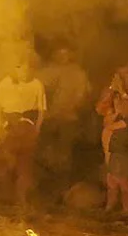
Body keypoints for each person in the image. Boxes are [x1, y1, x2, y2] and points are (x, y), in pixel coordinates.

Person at [0, 59, 46, 211]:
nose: (24, 72)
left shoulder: (36, 84)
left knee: (25, 164)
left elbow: (42, 110)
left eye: (26, 68)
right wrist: (0, 127)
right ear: (14, 69)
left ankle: (22, 199)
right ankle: (6, 197)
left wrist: (37, 128)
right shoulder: (3, 84)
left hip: (27, 126)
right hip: (9, 126)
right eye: (20, 68)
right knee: (6, 162)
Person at [97, 64, 128, 217]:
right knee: (111, 177)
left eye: (127, 74)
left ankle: (126, 209)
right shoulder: (112, 91)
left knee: (123, 179)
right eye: (121, 74)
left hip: (125, 139)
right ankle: (110, 207)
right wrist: (113, 92)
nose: (124, 77)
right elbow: (101, 109)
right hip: (112, 140)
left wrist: (124, 96)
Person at [39, 47, 92, 184]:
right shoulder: (47, 71)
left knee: (64, 153)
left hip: (68, 117)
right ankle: (45, 182)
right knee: (44, 150)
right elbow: (38, 89)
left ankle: (62, 185)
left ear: (71, 55)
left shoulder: (78, 74)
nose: (62, 56)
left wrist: (71, 107)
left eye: (66, 53)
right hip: (50, 117)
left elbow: (81, 96)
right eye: (59, 53)